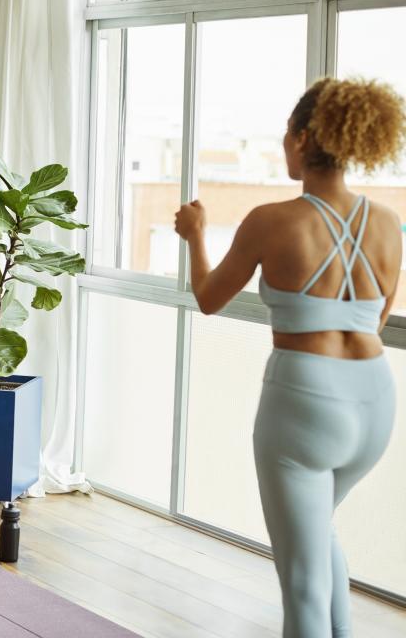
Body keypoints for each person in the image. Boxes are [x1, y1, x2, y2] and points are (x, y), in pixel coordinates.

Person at [173, 78, 404, 638]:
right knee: (319, 533)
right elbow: (373, 320)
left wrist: (195, 236)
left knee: (300, 582)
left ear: (303, 139)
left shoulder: (271, 220)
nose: (282, 146)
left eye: (284, 136)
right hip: (374, 402)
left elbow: (208, 298)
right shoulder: (388, 223)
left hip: (304, 404)